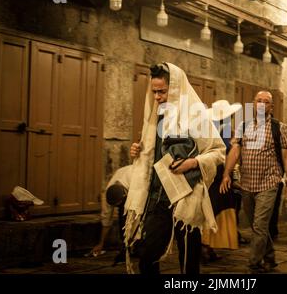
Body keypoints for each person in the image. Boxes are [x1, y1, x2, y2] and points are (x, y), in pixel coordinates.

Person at [125, 62, 226, 274]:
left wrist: (193, 162)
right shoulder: (154, 117)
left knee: (189, 260)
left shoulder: (195, 116)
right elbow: (150, 152)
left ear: (176, 89)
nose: (157, 97)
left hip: (185, 196)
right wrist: (138, 150)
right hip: (158, 198)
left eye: (162, 91)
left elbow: (218, 151)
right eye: (154, 92)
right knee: (147, 256)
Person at [220, 91, 287, 273]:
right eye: (259, 101)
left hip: (269, 183)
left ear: (271, 107)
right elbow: (235, 150)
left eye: (266, 102)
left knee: (260, 225)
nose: (262, 104)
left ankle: (253, 264)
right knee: (257, 226)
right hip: (247, 184)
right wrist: (226, 174)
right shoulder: (243, 126)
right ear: (254, 104)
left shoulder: (279, 128)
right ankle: (270, 257)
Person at [201, 100, 242, 263]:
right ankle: (205, 245)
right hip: (216, 175)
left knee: (215, 210)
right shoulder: (219, 132)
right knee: (213, 210)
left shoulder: (218, 131)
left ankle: (208, 246)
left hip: (216, 175)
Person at [91, 165, 131, 265]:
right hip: (126, 190)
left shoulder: (135, 181)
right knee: (123, 218)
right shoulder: (110, 189)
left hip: (142, 187)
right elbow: (107, 217)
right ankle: (126, 247)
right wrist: (101, 243)